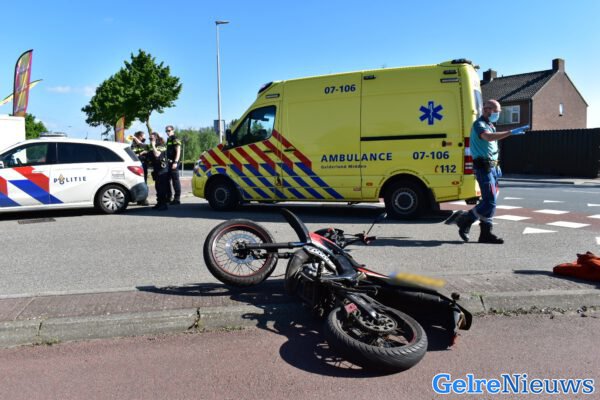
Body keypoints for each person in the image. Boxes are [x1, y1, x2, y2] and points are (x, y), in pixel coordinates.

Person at [448, 99, 529, 244]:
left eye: (499, 111)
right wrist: (510, 132)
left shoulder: (490, 125)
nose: (498, 114)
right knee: (489, 202)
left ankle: (485, 234)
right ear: (487, 110)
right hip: (483, 168)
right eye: (496, 111)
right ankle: (464, 219)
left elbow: (491, 148)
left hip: (493, 168)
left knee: (492, 201)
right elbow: (488, 137)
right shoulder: (479, 124)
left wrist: (497, 167)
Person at [148, 132, 169, 211]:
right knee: (157, 187)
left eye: (151, 138)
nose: (150, 140)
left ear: (156, 138)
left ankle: (163, 204)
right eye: (149, 138)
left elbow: (157, 154)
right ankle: (159, 203)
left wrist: (153, 145)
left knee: (162, 187)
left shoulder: (161, 146)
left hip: (162, 169)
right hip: (156, 169)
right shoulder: (153, 146)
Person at [130, 131, 150, 205]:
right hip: (136, 165)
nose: (144, 138)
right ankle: (139, 199)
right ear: (139, 137)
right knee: (137, 182)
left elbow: (145, 147)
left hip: (144, 164)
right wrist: (140, 154)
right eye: (142, 136)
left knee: (144, 182)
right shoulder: (132, 146)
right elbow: (132, 156)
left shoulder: (144, 145)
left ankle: (144, 199)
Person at [165, 125, 182, 205]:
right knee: (167, 180)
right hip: (168, 163)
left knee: (175, 181)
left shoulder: (175, 138)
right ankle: (169, 197)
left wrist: (175, 162)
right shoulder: (169, 139)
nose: (167, 132)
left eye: (169, 130)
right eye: (166, 131)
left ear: (173, 130)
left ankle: (177, 198)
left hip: (174, 163)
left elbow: (178, 151)